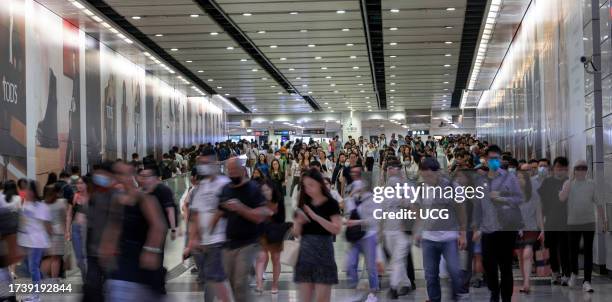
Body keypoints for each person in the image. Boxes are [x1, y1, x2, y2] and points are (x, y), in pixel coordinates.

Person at [100, 161, 168, 302]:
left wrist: (150, 250)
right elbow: (113, 226)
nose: (118, 178)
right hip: (123, 260)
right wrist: (107, 246)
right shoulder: (117, 200)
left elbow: (159, 226)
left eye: (122, 173)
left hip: (141, 260)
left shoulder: (143, 198)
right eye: (115, 174)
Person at [216, 158, 272, 302]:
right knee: (229, 282)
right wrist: (203, 233)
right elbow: (219, 212)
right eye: (230, 170)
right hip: (229, 243)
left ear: (243, 170)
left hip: (249, 242)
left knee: (240, 283)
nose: (232, 173)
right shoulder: (226, 189)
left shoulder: (253, 189)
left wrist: (241, 208)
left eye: (235, 169)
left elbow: (261, 215)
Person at [473, 145, 523, 302]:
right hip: (488, 228)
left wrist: (502, 197)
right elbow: (477, 206)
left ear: (500, 159)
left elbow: (519, 198)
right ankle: (494, 290)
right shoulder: (481, 180)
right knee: (489, 263)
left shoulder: (510, 178)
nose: (493, 161)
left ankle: (506, 297)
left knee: (506, 265)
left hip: (507, 227)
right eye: (491, 158)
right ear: (486, 160)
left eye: (496, 158)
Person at [414, 158, 467, 302]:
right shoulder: (420, 188)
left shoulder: (451, 187)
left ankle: (455, 295)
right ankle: (434, 299)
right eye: (424, 175)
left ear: (437, 172)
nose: (427, 179)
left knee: (454, 271)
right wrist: (418, 231)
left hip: (449, 237)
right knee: (430, 275)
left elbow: (461, 209)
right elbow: (418, 210)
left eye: (429, 175)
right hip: (428, 239)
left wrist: (463, 234)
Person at [183, 150, 232, 302]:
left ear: (215, 163)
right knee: (211, 279)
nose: (203, 167)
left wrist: (208, 230)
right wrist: (192, 240)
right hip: (206, 242)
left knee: (215, 277)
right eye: (201, 164)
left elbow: (224, 210)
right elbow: (195, 214)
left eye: (206, 163)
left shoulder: (225, 184)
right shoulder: (201, 186)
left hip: (220, 240)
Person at [293, 168, 343, 302]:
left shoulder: (331, 203)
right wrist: (298, 221)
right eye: (305, 186)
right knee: (305, 298)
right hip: (305, 253)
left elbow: (336, 229)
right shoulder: (303, 203)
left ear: (320, 183)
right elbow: (296, 233)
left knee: (322, 298)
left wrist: (315, 217)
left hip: (324, 252)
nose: (308, 189)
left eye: (311, 185)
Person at [559, 160, 607, 292]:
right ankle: (573, 273)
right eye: (578, 168)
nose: (581, 171)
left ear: (587, 170)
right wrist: (568, 184)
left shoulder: (591, 184)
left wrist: (603, 221)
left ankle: (587, 281)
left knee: (588, 251)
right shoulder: (569, 183)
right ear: (574, 170)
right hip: (573, 222)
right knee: (572, 251)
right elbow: (562, 198)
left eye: (583, 168)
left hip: (589, 222)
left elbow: (599, 204)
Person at [344, 167, 379, 302]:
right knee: (351, 264)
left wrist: (357, 221)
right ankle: (357, 288)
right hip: (356, 236)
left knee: (371, 266)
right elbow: (348, 213)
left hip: (369, 235)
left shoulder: (372, 199)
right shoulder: (352, 198)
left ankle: (373, 292)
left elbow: (374, 219)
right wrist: (350, 199)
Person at [83, 161, 117, 302]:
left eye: (101, 173)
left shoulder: (116, 195)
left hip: (109, 251)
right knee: (93, 287)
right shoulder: (95, 195)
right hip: (93, 250)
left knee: (110, 287)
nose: (98, 176)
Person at [381, 160, 413, 299]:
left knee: (398, 259)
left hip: (402, 229)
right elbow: (381, 209)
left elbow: (412, 207)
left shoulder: (407, 187)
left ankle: (393, 288)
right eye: (388, 168)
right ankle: (406, 283)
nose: (390, 171)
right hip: (388, 229)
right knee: (397, 259)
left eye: (393, 168)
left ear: (400, 170)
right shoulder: (384, 188)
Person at [538, 156, 570, 285]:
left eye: (563, 168)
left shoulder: (569, 182)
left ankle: (566, 273)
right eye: (558, 168)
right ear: (554, 168)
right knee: (551, 248)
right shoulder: (547, 182)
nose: (560, 170)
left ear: (567, 169)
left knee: (564, 248)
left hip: (566, 221)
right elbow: (541, 203)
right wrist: (542, 224)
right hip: (550, 220)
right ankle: (555, 272)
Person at [17, 180, 51, 302]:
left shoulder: (41, 206)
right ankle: (42, 285)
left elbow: (48, 226)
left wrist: (48, 243)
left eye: (28, 189)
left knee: (33, 268)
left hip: (37, 242)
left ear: (33, 191)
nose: (26, 192)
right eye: (24, 189)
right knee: (31, 268)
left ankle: (36, 295)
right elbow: (23, 224)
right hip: (26, 242)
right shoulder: (25, 203)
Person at [515, 164, 544, 293]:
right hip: (515, 229)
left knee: (527, 254)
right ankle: (525, 280)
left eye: (521, 178)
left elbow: (539, 213)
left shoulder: (534, 195)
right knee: (521, 256)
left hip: (531, 227)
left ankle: (527, 282)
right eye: (517, 178)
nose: (519, 180)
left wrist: (542, 229)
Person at [254, 180, 286, 294]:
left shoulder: (279, 201)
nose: (265, 192)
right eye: (262, 190)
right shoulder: (258, 202)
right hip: (262, 233)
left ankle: (275, 284)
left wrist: (271, 213)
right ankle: (259, 284)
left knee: (275, 258)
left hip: (275, 233)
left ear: (272, 190)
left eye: (267, 189)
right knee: (261, 258)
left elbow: (282, 219)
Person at [66, 176, 91, 282]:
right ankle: (85, 279)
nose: (79, 185)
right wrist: (67, 230)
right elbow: (69, 214)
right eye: (78, 183)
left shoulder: (92, 196)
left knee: (86, 256)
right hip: (75, 227)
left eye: (82, 183)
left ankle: (89, 280)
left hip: (88, 228)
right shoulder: (74, 196)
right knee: (78, 258)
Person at [44, 183, 67, 281]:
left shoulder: (43, 204)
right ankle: (54, 279)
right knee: (56, 258)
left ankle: (50, 278)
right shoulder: (62, 202)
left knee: (50, 258)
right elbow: (64, 218)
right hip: (58, 232)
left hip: (47, 233)